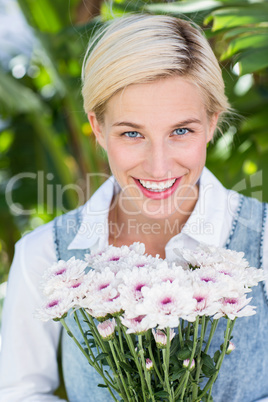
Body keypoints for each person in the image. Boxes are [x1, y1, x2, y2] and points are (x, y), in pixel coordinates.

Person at [0, 13, 267, 402]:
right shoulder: (42, 256)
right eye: (132, 133)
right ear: (97, 128)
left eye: (181, 131)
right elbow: (17, 393)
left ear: (211, 124)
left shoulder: (263, 241)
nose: (158, 166)